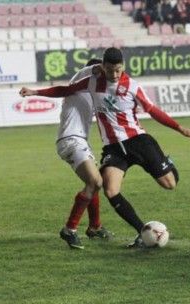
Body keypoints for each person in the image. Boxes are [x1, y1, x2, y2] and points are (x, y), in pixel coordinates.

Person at [20, 48, 190, 248]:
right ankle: (142, 232)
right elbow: (66, 89)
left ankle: (166, 162)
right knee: (110, 190)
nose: (114, 74)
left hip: (138, 140)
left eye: (118, 70)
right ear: (102, 67)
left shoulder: (132, 85)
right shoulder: (92, 82)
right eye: (109, 70)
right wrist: (35, 92)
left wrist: (179, 128)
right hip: (113, 148)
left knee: (170, 184)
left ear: (122, 66)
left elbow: (153, 110)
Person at [48, 58, 113, 249]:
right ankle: (70, 229)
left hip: (78, 140)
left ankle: (95, 227)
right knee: (95, 181)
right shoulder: (83, 79)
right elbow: (93, 70)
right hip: (71, 140)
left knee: (93, 182)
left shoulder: (91, 92)